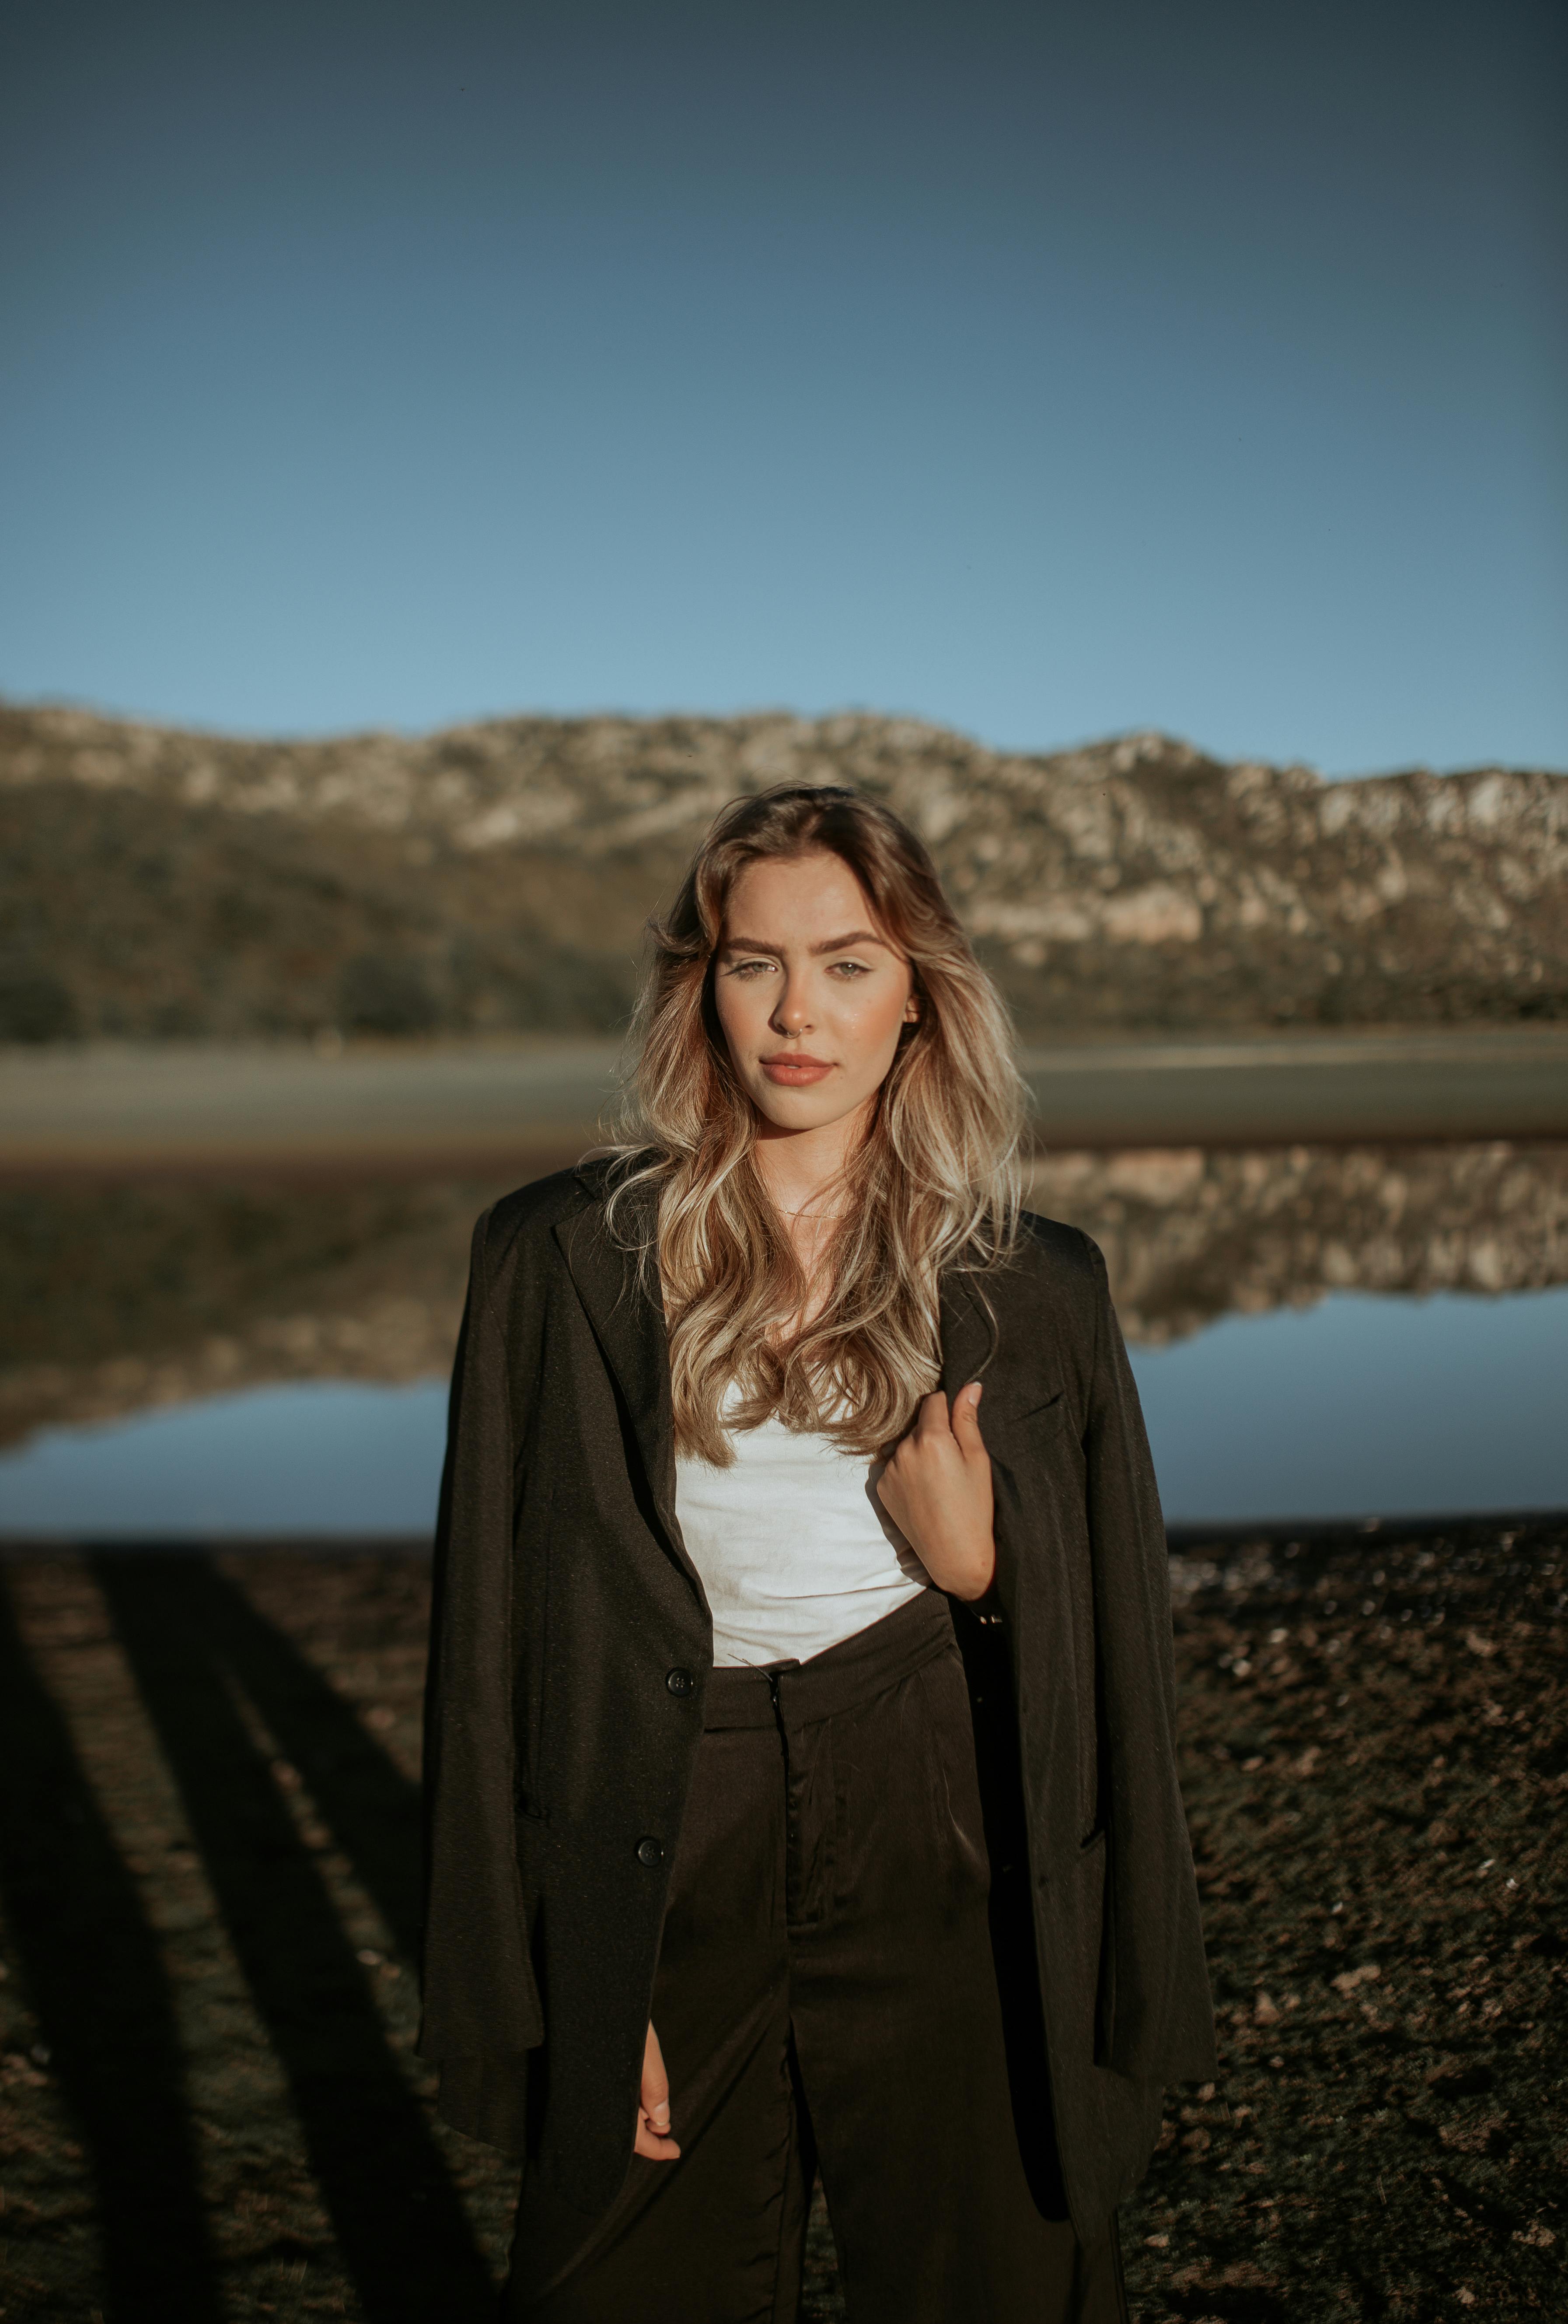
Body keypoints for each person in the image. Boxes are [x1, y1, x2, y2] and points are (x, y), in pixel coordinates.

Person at [419, 785, 1215, 2322]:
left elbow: (1113, 1663)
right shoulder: (556, 1255)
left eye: (847, 963)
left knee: (990, 2277)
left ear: (918, 995)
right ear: (696, 988)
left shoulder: (1034, 1283)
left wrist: (984, 1575)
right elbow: (490, 1647)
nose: (797, 1011)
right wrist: (571, 1966)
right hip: (667, 1825)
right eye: (750, 962)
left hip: (937, 1811)